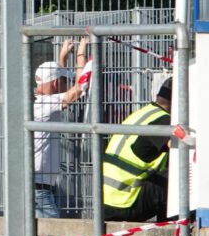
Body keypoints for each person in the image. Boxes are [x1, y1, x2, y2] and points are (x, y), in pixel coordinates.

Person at [101, 78, 172, 223]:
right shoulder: (164, 121)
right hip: (125, 202)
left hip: (106, 202)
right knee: (180, 177)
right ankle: (174, 231)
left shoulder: (143, 113)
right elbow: (183, 149)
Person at [33, 53, 89, 218]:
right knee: (48, 235)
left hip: (40, 187)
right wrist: (81, 54)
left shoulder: (39, 101)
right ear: (57, 82)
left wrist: (62, 57)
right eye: (66, 81)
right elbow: (78, 89)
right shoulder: (44, 104)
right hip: (39, 190)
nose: (69, 84)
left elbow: (57, 79)